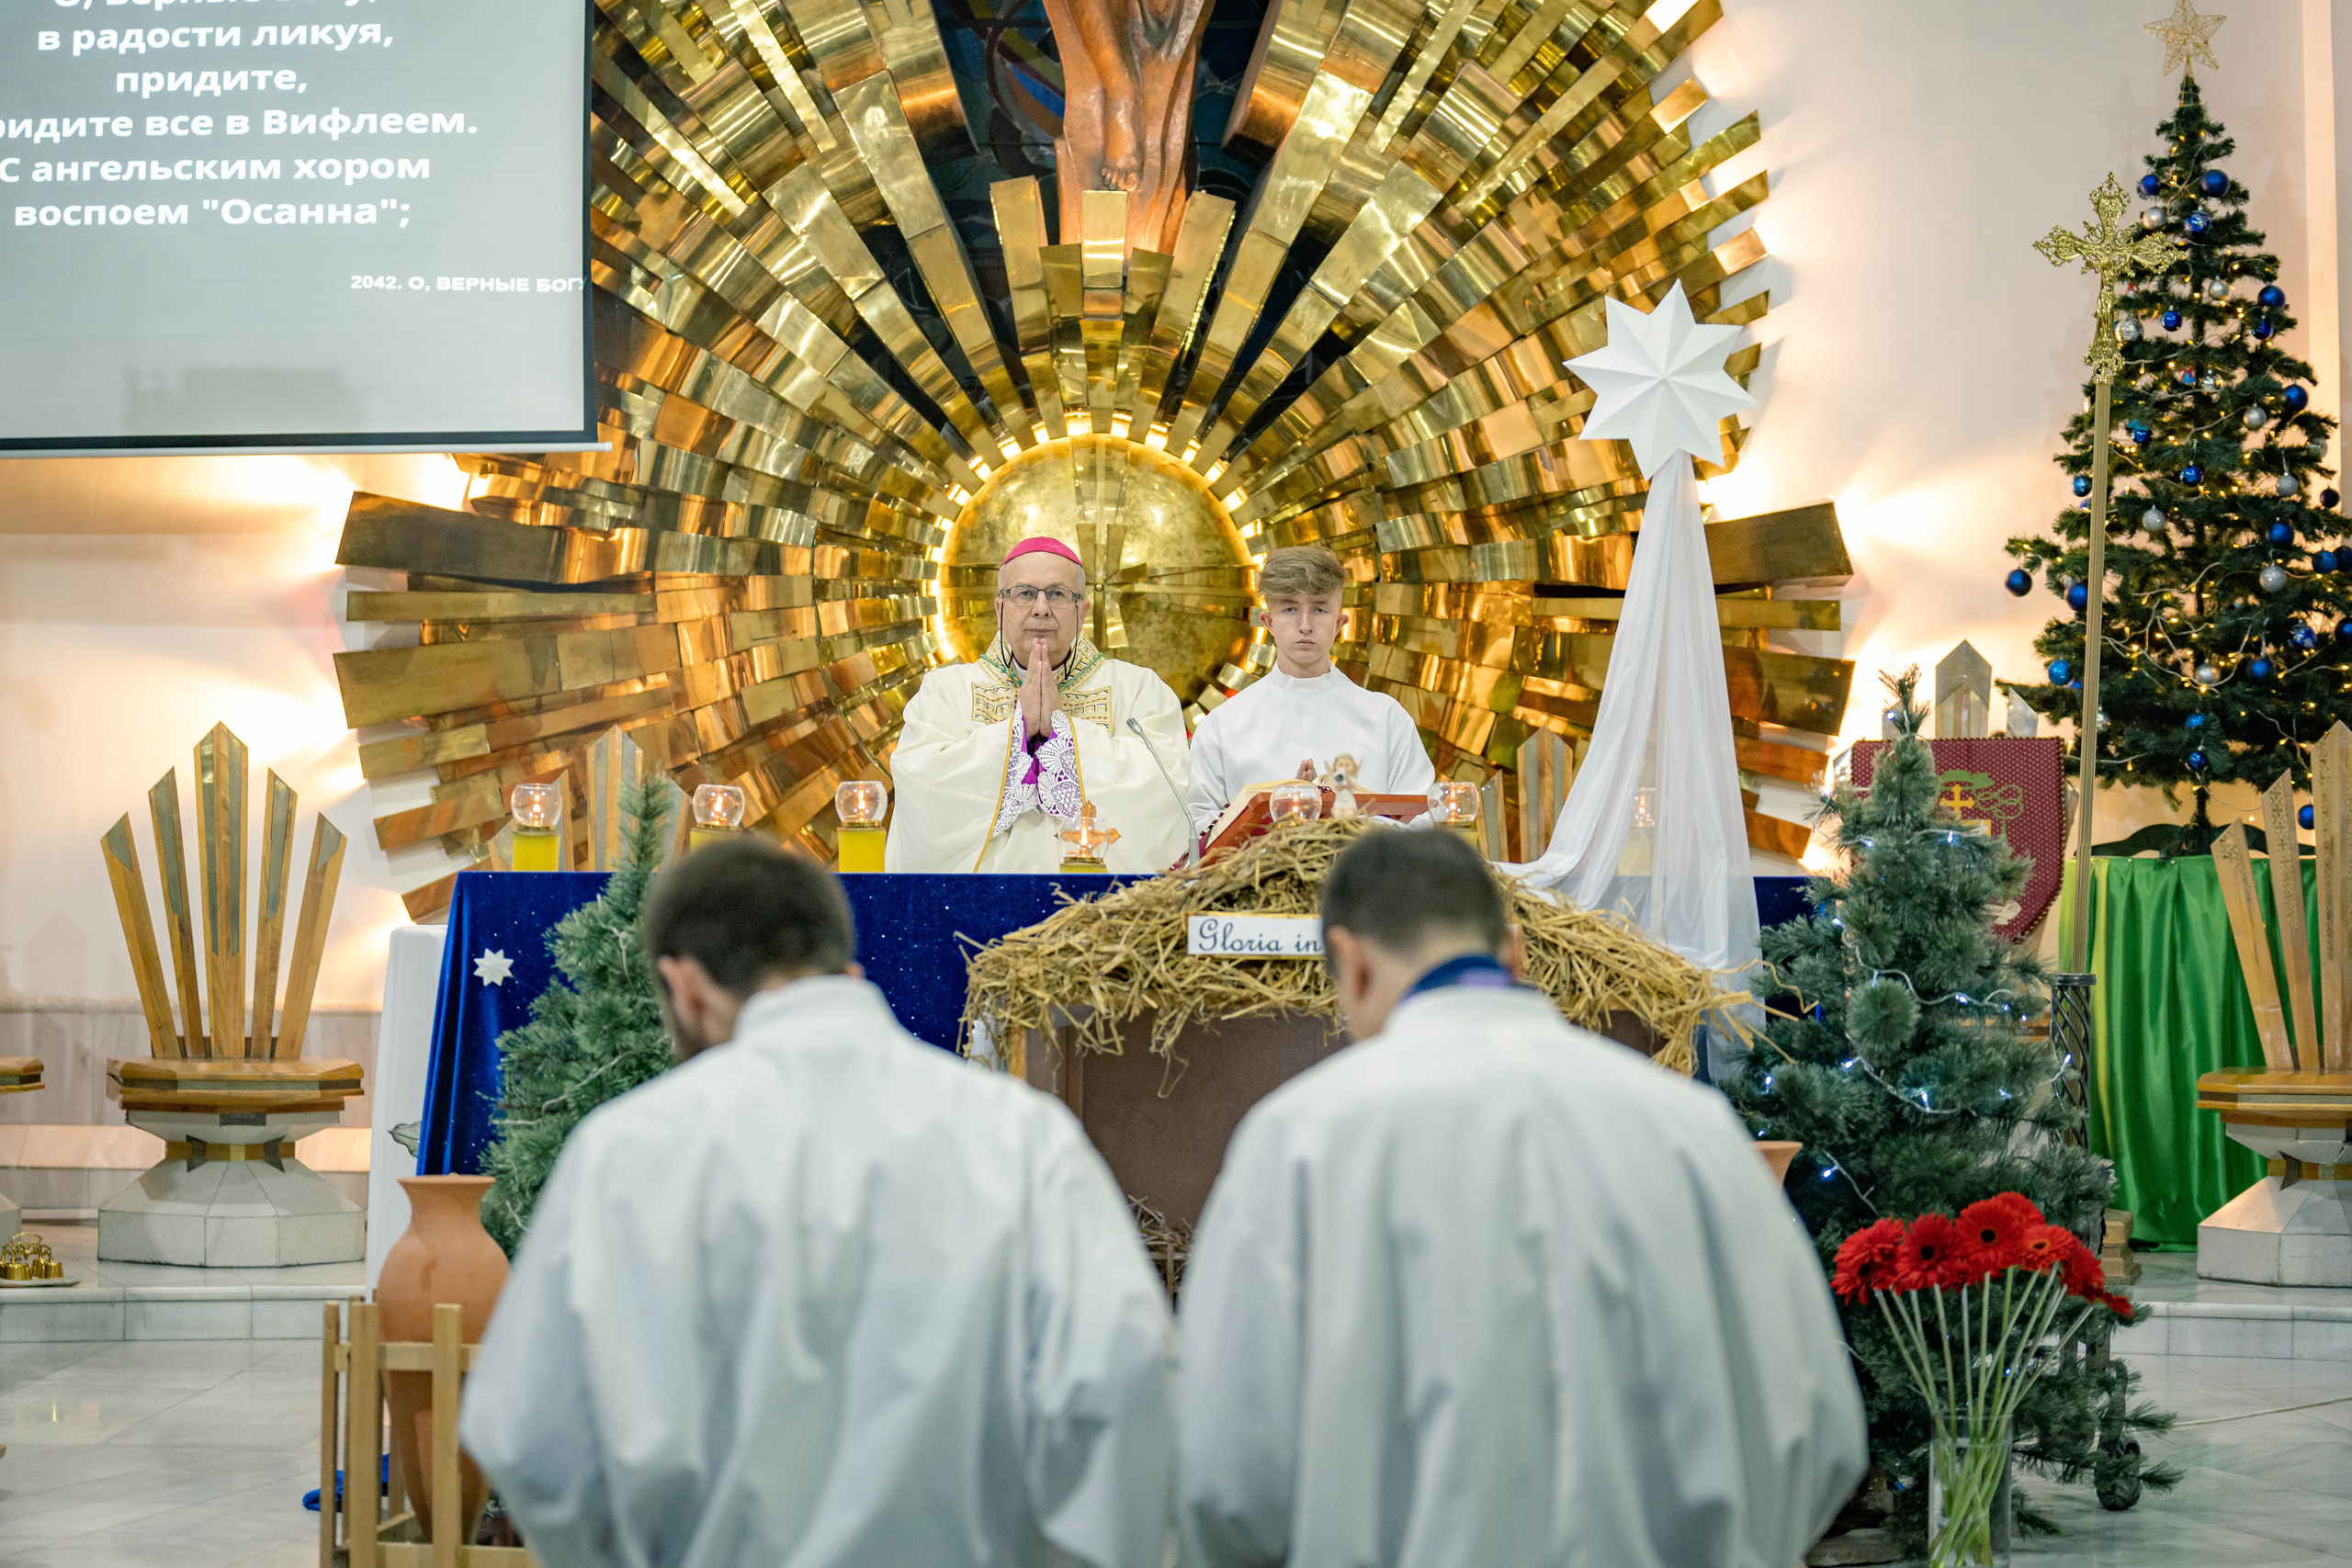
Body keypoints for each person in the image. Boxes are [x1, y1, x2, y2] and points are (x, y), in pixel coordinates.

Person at [461, 838, 1178, 1568]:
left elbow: (532, 1437)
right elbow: (1127, 1389)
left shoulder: (628, 1152)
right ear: (846, 967)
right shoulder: (1026, 1140)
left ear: (685, 988)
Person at [1176, 829, 1867, 1568]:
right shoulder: (1692, 1130)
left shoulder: (1299, 1142)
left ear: (1351, 963)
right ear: (1515, 952)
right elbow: (1821, 1431)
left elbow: (1224, 1474)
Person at [886, 535, 1193, 872]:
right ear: (999, 607)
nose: (1041, 608)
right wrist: (1018, 731)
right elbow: (920, 781)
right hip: (981, 901)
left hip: (1102, 908)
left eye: (1058, 594)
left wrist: (1063, 732)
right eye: (1024, 593)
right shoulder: (946, 691)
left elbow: (1167, 784)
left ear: (1082, 610)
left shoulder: (1139, 689)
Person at [1186, 544, 1434, 834]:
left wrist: (1333, 813)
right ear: (1268, 622)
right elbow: (1200, 834)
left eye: (1319, 609)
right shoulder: (1222, 725)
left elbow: (1422, 823)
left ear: (1339, 623)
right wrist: (1276, 818)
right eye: (1290, 608)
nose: (1305, 625)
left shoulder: (1387, 718)